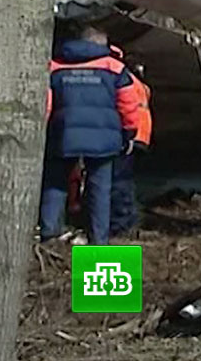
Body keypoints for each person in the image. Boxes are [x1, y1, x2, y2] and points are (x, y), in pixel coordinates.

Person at [42, 26, 138, 246]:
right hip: (104, 138)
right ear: (101, 44)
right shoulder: (114, 67)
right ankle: (99, 239)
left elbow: (46, 104)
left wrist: (46, 130)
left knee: (55, 183)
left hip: (63, 133)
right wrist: (130, 132)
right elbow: (129, 104)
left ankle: (49, 233)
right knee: (100, 189)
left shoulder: (54, 65)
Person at [110, 55, 151, 237]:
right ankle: (128, 218)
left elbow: (126, 108)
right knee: (125, 180)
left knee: (119, 180)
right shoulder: (139, 84)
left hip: (130, 135)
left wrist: (127, 134)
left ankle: (122, 221)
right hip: (140, 135)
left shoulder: (123, 79)